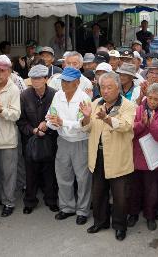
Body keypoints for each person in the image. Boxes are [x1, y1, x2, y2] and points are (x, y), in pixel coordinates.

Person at [80, 72, 135, 241]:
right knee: (98, 192)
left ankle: (119, 226)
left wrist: (107, 118)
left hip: (118, 157)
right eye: (102, 87)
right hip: (98, 155)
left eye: (109, 87)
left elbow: (126, 125)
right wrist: (87, 117)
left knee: (120, 196)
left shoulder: (127, 105)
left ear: (118, 88)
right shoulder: (96, 103)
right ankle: (100, 222)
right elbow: (86, 128)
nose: (105, 91)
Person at [46, 67, 92, 225]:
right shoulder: (58, 95)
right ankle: (66, 207)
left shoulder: (84, 98)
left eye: (68, 81)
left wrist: (61, 122)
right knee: (63, 175)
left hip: (80, 141)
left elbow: (81, 124)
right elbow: (50, 115)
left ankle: (83, 210)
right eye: (63, 81)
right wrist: (52, 123)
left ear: (77, 82)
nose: (64, 84)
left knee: (83, 178)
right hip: (63, 140)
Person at [16, 65, 59, 214]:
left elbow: (58, 117)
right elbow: (20, 121)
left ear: (46, 79)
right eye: (33, 78)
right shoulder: (24, 95)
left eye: (39, 78)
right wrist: (33, 130)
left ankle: (51, 200)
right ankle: (29, 202)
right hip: (30, 139)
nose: (35, 81)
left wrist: (47, 125)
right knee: (30, 173)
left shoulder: (55, 95)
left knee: (49, 172)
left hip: (49, 139)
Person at [128, 83, 158, 231]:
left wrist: (152, 124)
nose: (152, 102)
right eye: (150, 98)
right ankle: (133, 214)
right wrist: (142, 124)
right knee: (134, 189)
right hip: (136, 156)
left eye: (156, 99)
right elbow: (130, 132)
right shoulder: (138, 109)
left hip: (153, 160)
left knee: (151, 191)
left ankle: (150, 216)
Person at [0, 55, 21, 217]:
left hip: (7, 139)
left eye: (2, 70)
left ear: (8, 72)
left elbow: (16, 115)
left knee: (9, 173)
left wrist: (1, 110)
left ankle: (8, 201)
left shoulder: (13, 89)